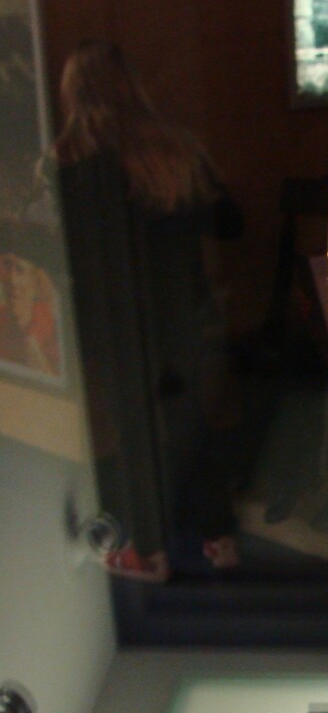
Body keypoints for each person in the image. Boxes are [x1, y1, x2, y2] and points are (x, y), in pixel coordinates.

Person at [53, 40, 243, 580]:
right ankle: (219, 539)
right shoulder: (175, 150)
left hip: (114, 322)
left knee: (137, 431)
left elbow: (60, 248)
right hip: (184, 312)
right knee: (191, 423)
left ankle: (149, 551)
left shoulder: (69, 160)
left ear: (75, 93)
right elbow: (230, 223)